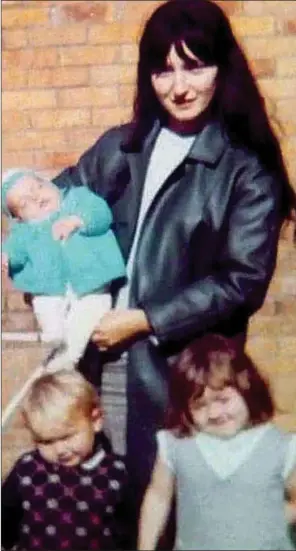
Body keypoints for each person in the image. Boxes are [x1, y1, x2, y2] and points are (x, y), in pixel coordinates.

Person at [50, 0, 296, 538]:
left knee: (168, 519)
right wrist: (30, 235)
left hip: (178, 376)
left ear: (222, 69)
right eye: (163, 69)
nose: (179, 86)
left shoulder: (245, 171)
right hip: (94, 364)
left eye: (194, 66)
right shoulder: (122, 148)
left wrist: (144, 319)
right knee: (93, 518)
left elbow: (242, 281)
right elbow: (57, 202)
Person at [138, 334, 296, 550]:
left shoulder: (279, 447)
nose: (213, 413)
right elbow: (158, 497)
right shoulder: (176, 444)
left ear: (246, 388)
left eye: (223, 400)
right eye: (200, 405)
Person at [1, 168, 126, 369]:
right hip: (49, 289)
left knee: (88, 315)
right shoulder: (24, 230)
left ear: (51, 183)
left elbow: (101, 213)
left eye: (38, 187)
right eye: (25, 203)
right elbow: (14, 250)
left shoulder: (76, 198)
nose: (36, 197)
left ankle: (67, 358)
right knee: (48, 316)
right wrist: (8, 257)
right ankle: (54, 346)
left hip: (92, 282)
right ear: (19, 217)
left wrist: (78, 220)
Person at [1, 369, 128, 551]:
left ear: (96, 420)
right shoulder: (27, 469)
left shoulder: (117, 472)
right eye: (46, 441)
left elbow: (129, 528)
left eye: (66, 437)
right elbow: (5, 517)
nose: (60, 450)